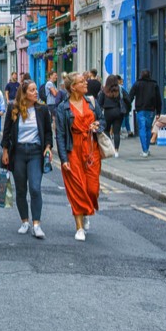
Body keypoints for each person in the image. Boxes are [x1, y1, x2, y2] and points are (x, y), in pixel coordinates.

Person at [0, 79, 53, 239]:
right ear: (24, 93)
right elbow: (7, 131)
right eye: (32, 90)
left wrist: (48, 147)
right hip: (19, 153)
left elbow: (48, 133)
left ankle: (37, 224)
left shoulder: (42, 110)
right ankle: (25, 221)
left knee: (35, 188)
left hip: (36, 153)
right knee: (21, 189)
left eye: (36, 89)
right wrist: (5, 151)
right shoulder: (13, 108)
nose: (36, 92)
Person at [55, 72, 103, 241]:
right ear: (73, 87)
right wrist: (63, 159)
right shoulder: (62, 108)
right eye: (82, 82)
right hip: (72, 150)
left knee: (92, 189)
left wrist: (98, 124)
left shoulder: (91, 102)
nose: (86, 83)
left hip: (91, 149)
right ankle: (79, 227)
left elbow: (102, 120)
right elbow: (60, 134)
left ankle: (86, 212)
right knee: (77, 188)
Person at [127, 70, 162, 156]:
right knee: (148, 128)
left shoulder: (137, 84)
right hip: (150, 110)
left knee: (142, 129)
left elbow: (130, 96)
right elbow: (158, 99)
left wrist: (128, 106)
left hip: (140, 109)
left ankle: (144, 150)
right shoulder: (154, 85)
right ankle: (147, 148)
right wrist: (158, 112)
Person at [99, 74, 129, 157]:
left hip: (107, 112)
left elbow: (99, 103)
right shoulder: (120, 90)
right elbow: (128, 100)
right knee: (116, 132)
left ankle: (109, 148)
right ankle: (116, 151)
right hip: (118, 112)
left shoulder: (104, 90)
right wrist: (127, 110)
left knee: (106, 130)